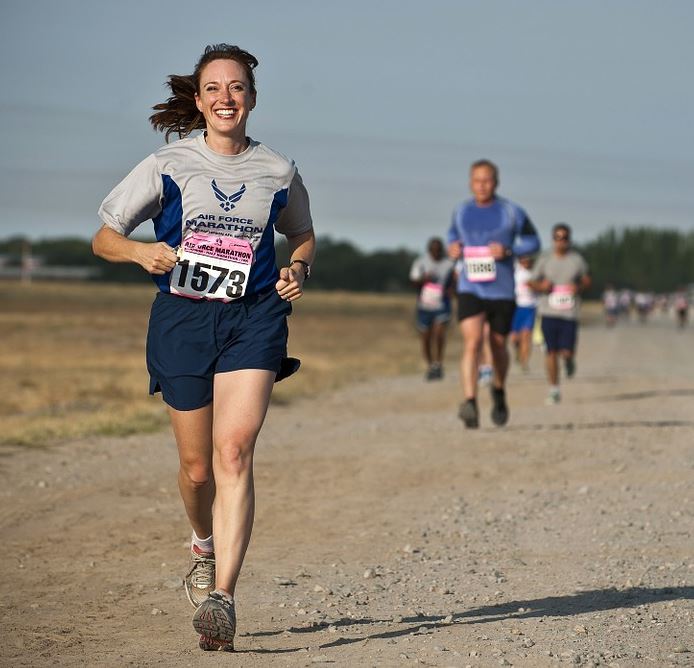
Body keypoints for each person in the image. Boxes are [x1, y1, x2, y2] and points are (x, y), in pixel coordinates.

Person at [92, 44, 315, 652]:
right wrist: (141, 253)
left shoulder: (278, 169)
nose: (226, 97)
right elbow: (104, 237)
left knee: (235, 452)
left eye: (237, 87)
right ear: (198, 99)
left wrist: (298, 266)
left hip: (254, 317)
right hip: (183, 320)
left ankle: (223, 597)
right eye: (214, 88)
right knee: (197, 471)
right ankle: (203, 543)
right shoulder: (167, 163)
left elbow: (302, 232)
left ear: (252, 97)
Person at [448, 159, 540, 428]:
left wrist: (510, 251)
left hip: (501, 290)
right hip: (470, 287)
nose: (482, 185)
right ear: (469, 183)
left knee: (498, 345)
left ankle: (498, 390)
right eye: (477, 180)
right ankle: (470, 402)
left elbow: (533, 241)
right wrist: (452, 247)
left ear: (496, 183)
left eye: (487, 180)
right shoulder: (461, 211)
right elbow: (452, 237)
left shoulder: (511, 212)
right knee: (473, 342)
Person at [527, 223, 590, 405]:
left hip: (569, 313)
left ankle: (569, 361)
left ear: (569, 240)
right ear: (553, 239)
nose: (561, 241)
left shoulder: (576, 260)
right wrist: (542, 286)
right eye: (558, 237)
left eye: (565, 238)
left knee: (566, 351)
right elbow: (531, 282)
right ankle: (554, 389)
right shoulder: (545, 259)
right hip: (548, 312)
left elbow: (587, 280)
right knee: (551, 352)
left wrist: (578, 287)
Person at [409, 238, 455, 380]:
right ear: (429, 250)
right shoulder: (420, 262)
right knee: (426, 337)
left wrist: (452, 290)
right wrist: (424, 279)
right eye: (433, 250)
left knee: (439, 333)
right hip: (424, 305)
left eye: (438, 250)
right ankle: (430, 366)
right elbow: (413, 281)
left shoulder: (449, 264)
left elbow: (456, 280)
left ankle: (438, 363)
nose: (436, 253)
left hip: (442, 305)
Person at [509, 255, 537, 372]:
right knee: (514, 338)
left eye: (528, 259)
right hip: (516, 307)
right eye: (524, 259)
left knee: (526, 336)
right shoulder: (515, 270)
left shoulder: (536, 272)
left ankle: (524, 362)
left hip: (530, 307)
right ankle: (517, 351)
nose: (526, 261)